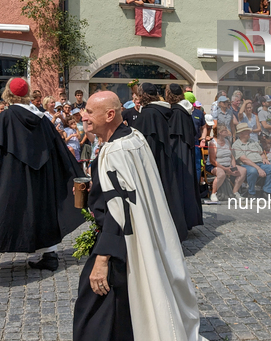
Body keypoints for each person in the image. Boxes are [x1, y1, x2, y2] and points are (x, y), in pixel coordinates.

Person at [73, 91, 204, 341]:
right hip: (135, 236)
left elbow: (120, 209)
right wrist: (96, 189)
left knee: (93, 311)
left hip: (121, 244)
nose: (83, 116)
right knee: (124, 307)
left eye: (90, 111)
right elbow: (129, 190)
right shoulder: (134, 137)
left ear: (110, 114)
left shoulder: (115, 151)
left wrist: (102, 259)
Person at [0, 78, 85, 271]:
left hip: (11, 178)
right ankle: (49, 255)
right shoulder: (41, 119)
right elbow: (57, 148)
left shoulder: (8, 117)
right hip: (38, 178)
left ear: (8, 94)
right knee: (42, 211)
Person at [134, 83, 189, 241]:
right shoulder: (161, 111)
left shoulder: (149, 114)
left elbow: (145, 141)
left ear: (142, 95)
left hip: (153, 161)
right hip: (164, 159)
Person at [166, 83, 203, 232]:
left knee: (180, 185)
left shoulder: (176, 112)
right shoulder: (186, 110)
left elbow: (173, 136)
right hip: (186, 151)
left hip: (178, 154)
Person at [232, 123, 271, 197]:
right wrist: (258, 168)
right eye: (247, 131)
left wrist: (264, 158)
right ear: (241, 133)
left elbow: (261, 153)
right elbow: (244, 160)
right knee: (253, 171)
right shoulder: (236, 145)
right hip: (247, 165)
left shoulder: (253, 141)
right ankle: (251, 192)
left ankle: (266, 191)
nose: (249, 133)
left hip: (260, 163)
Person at [207, 125, 246, 202]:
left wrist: (233, 168)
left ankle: (235, 191)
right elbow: (212, 161)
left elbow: (231, 157)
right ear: (220, 132)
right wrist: (225, 169)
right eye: (225, 130)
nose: (227, 131)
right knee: (221, 173)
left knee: (243, 170)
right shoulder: (213, 143)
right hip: (215, 165)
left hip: (227, 165)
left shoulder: (227, 141)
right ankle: (213, 193)